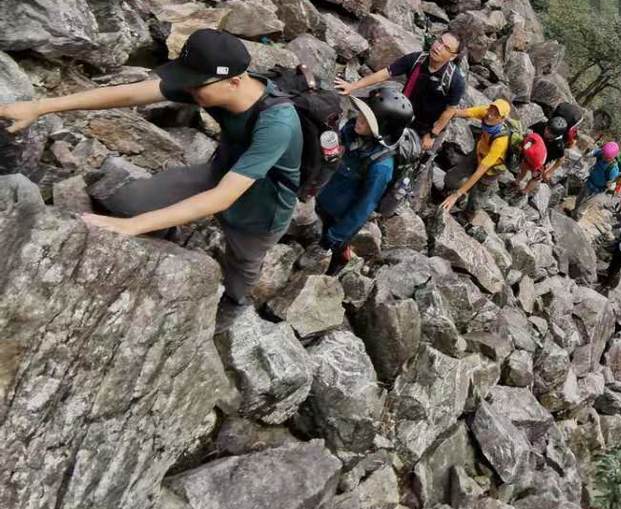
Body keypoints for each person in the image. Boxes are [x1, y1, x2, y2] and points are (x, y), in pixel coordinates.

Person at [0, 29, 302, 313]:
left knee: (242, 266)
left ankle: (234, 306)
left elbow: (223, 198)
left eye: (195, 84)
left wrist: (136, 226)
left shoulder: (277, 124)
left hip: (262, 206)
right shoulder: (207, 87)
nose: (188, 88)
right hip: (220, 173)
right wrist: (39, 107)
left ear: (234, 82)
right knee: (129, 203)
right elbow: (131, 95)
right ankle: (166, 224)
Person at [316, 84, 414, 274]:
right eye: (362, 112)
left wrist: (335, 236)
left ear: (383, 128)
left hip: (338, 216)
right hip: (324, 194)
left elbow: (364, 206)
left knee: (330, 247)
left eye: (368, 119)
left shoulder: (381, 167)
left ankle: (340, 261)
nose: (359, 117)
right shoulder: (353, 128)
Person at [335, 31, 465, 150]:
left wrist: (432, 135)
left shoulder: (455, 80)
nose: (439, 47)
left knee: (408, 159)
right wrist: (353, 86)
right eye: (439, 41)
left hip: (428, 127)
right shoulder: (416, 59)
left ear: (453, 56)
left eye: (446, 48)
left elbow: (450, 110)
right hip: (402, 115)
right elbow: (385, 73)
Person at [440, 99, 512, 213]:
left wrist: (457, 194)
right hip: (478, 152)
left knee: (477, 198)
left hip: (491, 168)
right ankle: (449, 191)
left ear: (502, 119)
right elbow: (464, 112)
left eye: (495, 114)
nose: (490, 115)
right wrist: (446, 112)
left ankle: (468, 217)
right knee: (452, 177)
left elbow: (480, 171)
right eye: (491, 109)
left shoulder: (501, 141)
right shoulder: (485, 112)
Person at [573, 140, 621, 218]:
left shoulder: (613, 169)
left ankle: (576, 218)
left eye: (606, 157)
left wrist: (610, 185)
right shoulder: (601, 153)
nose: (604, 158)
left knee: (584, 206)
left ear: (612, 157)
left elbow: (612, 184)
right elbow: (591, 154)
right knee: (579, 200)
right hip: (590, 182)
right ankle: (573, 212)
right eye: (604, 155)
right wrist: (587, 154)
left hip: (598, 191)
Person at [514, 127, 548, 194]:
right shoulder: (534, 137)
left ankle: (525, 191)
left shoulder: (535, 155)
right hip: (534, 158)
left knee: (535, 177)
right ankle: (517, 182)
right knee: (524, 167)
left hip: (538, 161)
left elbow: (537, 167)